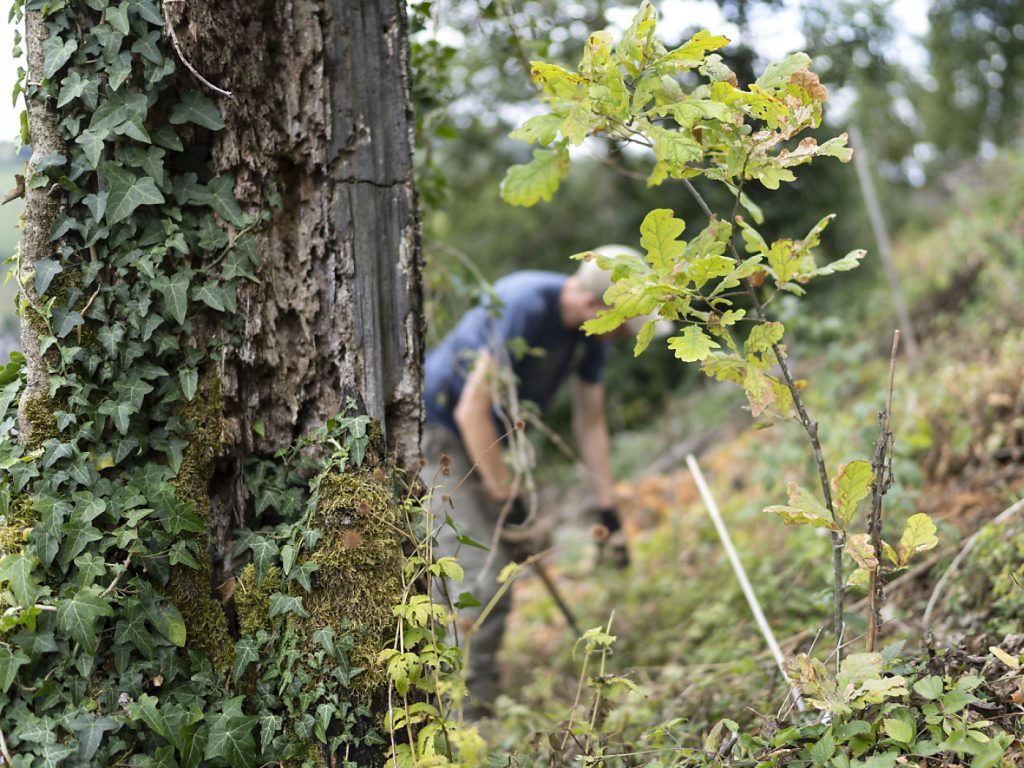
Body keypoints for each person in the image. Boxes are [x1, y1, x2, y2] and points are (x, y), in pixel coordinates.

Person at [420, 245, 670, 717]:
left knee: (487, 569)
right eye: (624, 324)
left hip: (487, 442)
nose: (622, 336)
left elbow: (590, 424)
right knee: (482, 577)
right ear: (598, 306)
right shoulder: (524, 303)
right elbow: (470, 408)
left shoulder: (588, 338)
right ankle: (469, 720)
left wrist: (607, 510)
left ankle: (454, 699)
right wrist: (502, 493)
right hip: (440, 439)